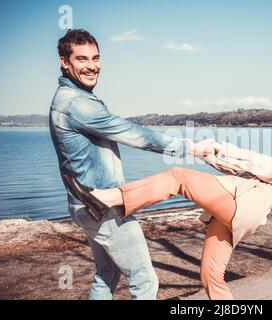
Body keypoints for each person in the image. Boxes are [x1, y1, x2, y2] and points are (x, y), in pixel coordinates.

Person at [63, 139, 272, 299]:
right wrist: (212, 156)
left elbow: (258, 164)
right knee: (211, 278)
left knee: (177, 177)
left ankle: (105, 199)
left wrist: (220, 147)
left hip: (239, 203)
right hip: (239, 214)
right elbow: (246, 172)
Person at [49, 29, 212, 300]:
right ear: (65, 62)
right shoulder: (77, 104)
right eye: (81, 59)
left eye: (96, 58)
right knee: (144, 279)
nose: (91, 66)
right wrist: (189, 147)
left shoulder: (72, 99)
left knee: (107, 274)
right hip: (103, 204)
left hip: (86, 204)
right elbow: (134, 134)